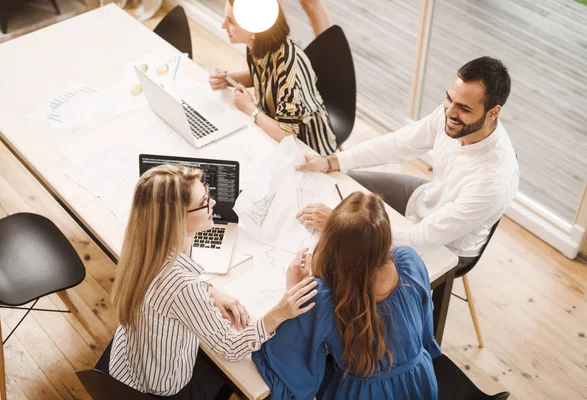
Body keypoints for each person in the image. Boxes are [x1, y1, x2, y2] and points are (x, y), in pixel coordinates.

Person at [109, 165, 318, 399]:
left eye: (207, 192)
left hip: (126, 365)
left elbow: (171, 292)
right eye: (204, 201)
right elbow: (230, 347)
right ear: (177, 219)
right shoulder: (183, 286)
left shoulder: (144, 246)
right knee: (239, 378)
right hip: (162, 387)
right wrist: (279, 312)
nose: (214, 203)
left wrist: (209, 289)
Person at [296, 57, 520, 269]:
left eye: (464, 108)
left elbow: (421, 239)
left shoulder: (493, 182)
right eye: (449, 98)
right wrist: (333, 161)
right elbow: (398, 144)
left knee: (344, 255)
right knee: (345, 182)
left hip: (446, 247)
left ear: (493, 113)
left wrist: (340, 224)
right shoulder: (450, 114)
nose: (450, 112)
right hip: (428, 197)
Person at [252, 192, 441, 400]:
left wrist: (296, 293)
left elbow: (285, 355)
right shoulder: (409, 261)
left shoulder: (324, 297)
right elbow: (424, 328)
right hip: (419, 382)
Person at [208, 0, 337, 156]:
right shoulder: (257, 43)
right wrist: (228, 78)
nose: (223, 26)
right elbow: (264, 75)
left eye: (231, 22)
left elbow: (287, 134)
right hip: (272, 125)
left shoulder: (288, 66)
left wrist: (250, 108)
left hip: (308, 148)